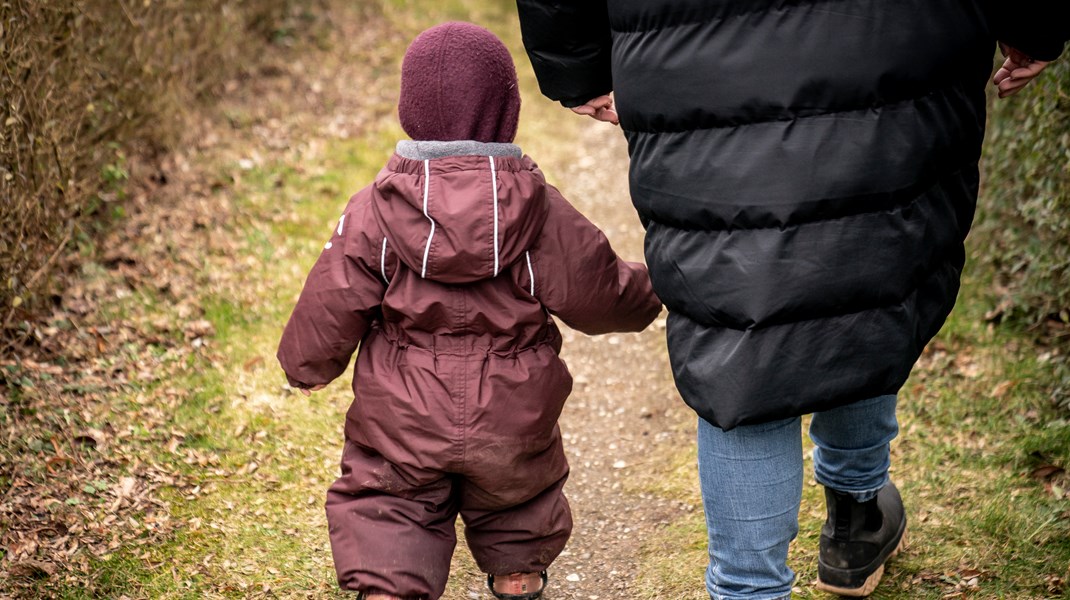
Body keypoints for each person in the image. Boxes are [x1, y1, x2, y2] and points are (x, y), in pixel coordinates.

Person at [514, 2, 1069, 599]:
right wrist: (1033, 24)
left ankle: (750, 587)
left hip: (693, 54)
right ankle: (858, 517)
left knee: (740, 327)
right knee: (867, 269)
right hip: (893, 40)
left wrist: (577, 62)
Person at [276, 21, 661, 600]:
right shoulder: (538, 207)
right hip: (511, 407)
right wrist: (654, 289)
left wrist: (304, 365)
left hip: (402, 412)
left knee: (390, 500)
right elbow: (599, 291)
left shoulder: (375, 208)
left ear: (410, 109)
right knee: (519, 491)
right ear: (506, 110)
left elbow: (333, 296)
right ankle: (517, 575)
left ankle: (389, 588)